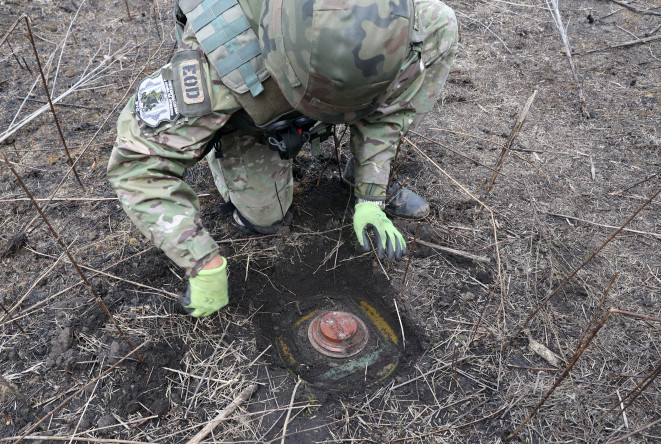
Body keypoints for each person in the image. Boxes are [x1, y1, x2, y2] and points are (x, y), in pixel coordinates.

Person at [108, 0, 458, 317]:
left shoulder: (405, 24)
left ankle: (356, 165)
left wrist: (371, 192)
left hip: (306, 85)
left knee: (442, 23)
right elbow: (137, 163)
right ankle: (226, 148)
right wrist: (201, 260)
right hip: (252, 92)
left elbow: (388, 111)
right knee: (265, 218)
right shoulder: (218, 59)